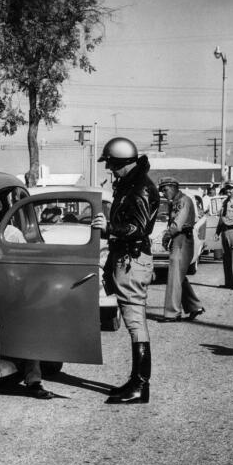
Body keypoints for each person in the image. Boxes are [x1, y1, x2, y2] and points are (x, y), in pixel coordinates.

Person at [91, 137, 159, 405]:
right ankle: (137, 382)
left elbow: (138, 228)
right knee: (134, 321)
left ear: (121, 162)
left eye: (111, 164)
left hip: (132, 258)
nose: (110, 169)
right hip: (129, 258)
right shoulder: (133, 184)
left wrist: (110, 229)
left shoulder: (139, 188)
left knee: (134, 321)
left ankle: (140, 385)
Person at [0, 196, 50, 398]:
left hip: (9, 288)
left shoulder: (12, 234)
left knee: (28, 325)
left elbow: (24, 263)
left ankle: (34, 378)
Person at [157, 178, 205, 322]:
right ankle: (194, 306)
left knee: (174, 276)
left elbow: (177, 225)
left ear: (174, 187)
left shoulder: (184, 201)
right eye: (162, 190)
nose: (164, 193)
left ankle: (173, 313)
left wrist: (166, 236)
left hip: (183, 239)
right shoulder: (175, 202)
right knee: (178, 276)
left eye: (165, 190)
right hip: (178, 239)